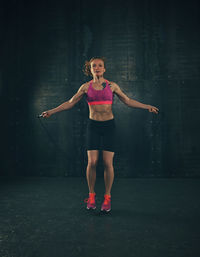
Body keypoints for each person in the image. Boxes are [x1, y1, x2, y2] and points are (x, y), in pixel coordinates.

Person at [41, 56, 159, 212]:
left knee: (108, 163)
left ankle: (107, 198)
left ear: (104, 69)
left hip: (109, 126)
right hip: (93, 126)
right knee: (92, 163)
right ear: (90, 69)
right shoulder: (85, 87)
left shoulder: (113, 86)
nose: (97, 68)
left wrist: (147, 106)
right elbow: (70, 103)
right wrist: (51, 111)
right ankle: (91, 196)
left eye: (100, 65)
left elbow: (128, 101)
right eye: (93, 66)